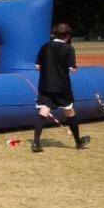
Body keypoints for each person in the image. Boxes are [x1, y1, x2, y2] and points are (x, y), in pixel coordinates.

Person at [32, 23, 89, 153]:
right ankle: (78, 142)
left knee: (43, 112)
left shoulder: (44, 47)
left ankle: (36, 143)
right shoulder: (68, 48)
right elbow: (72, 69)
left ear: (54, 34)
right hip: (62, 86)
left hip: (45, 85)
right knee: (69, 112)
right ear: (67, 36)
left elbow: (37, 66)